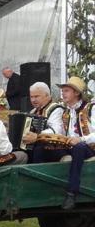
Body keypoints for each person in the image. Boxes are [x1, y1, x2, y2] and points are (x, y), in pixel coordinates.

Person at [32, 77, 95, 209]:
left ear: (76, 93)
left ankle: (72, 193)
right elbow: (62, 134)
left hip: (89, 147)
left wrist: (82, 139)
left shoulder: (91, 108)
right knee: (41, 147)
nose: (62, 94)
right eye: (62, 91)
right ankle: (39, 187)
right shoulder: (66, 112)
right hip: (71, 147)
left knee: (79, 147)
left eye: (66, 90)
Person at [22, 82, 64, 150]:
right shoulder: (32, 112)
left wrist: (37, 136)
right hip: (34, 148)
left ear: (47, 95)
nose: (33, 100)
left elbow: (57, 130)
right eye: (31, 97)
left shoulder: (56, 109)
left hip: (52, 148)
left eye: (36, 96)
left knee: (39, 148)